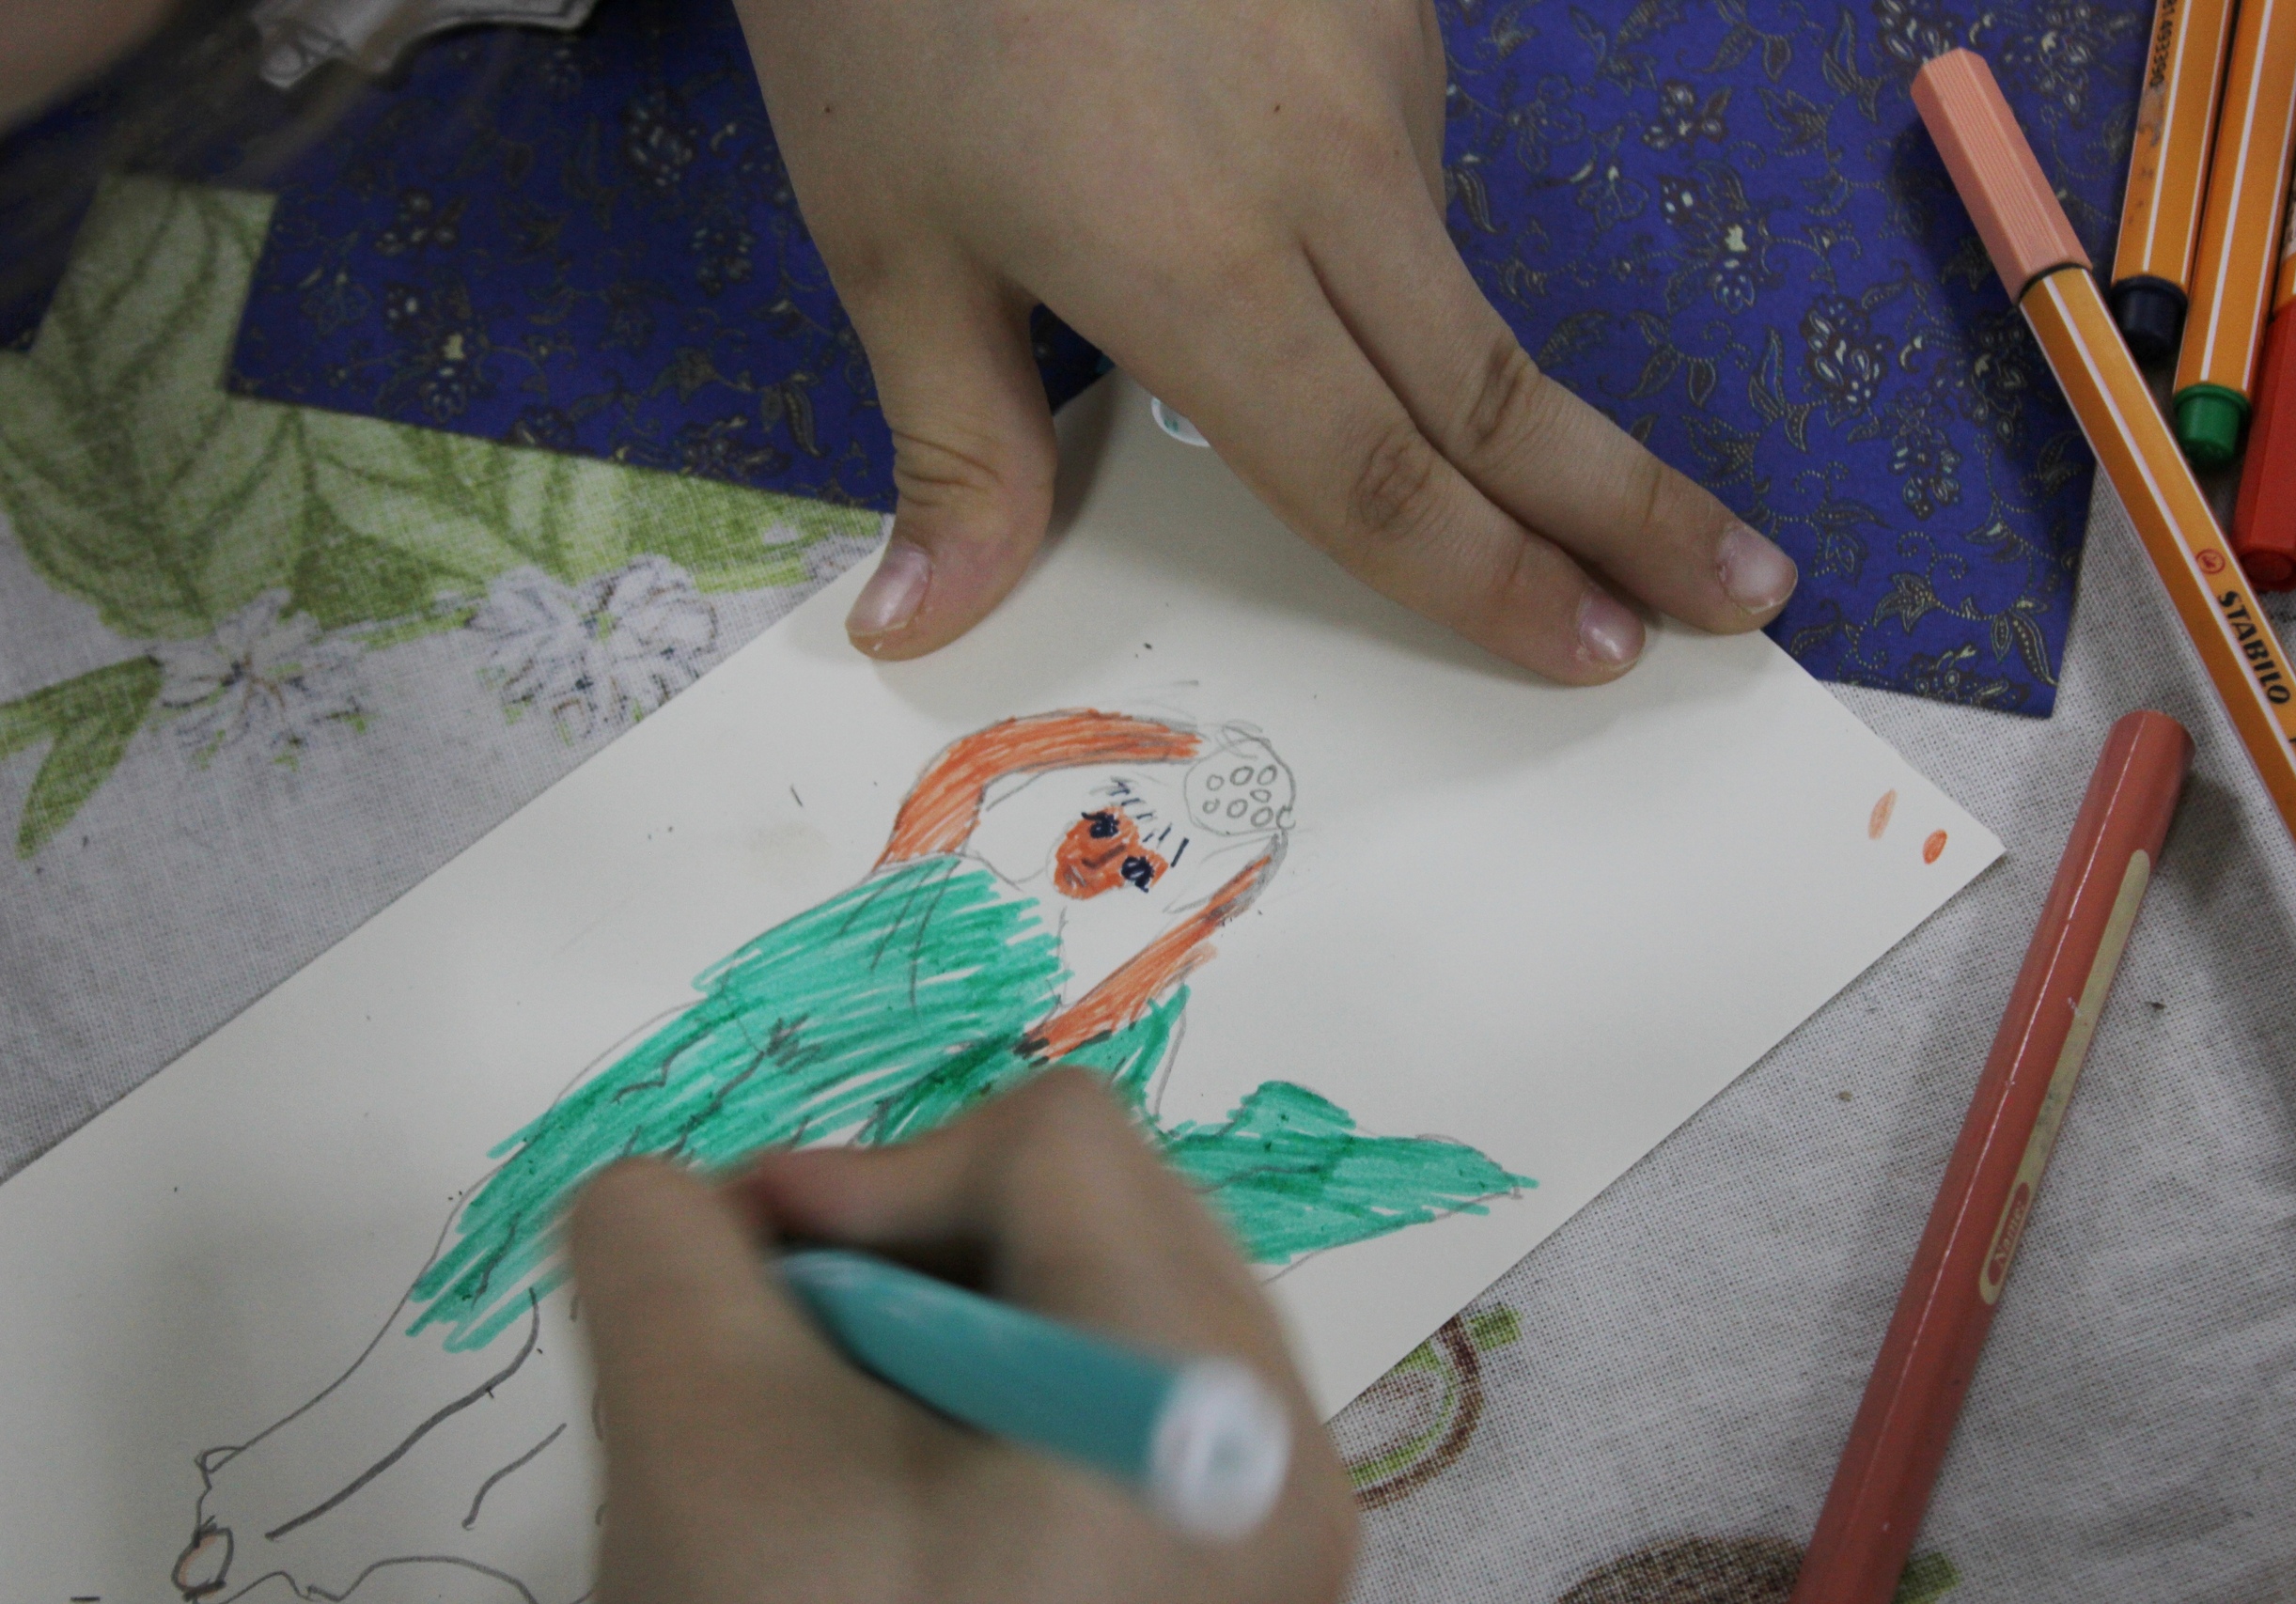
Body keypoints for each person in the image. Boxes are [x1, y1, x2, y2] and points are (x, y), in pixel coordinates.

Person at [3, 4, 1796, 1596]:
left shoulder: (1049, 1036)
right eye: (1138, 823)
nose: (1134, 850)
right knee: (466, 1338)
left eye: (1162, 867)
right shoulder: (880, 948)